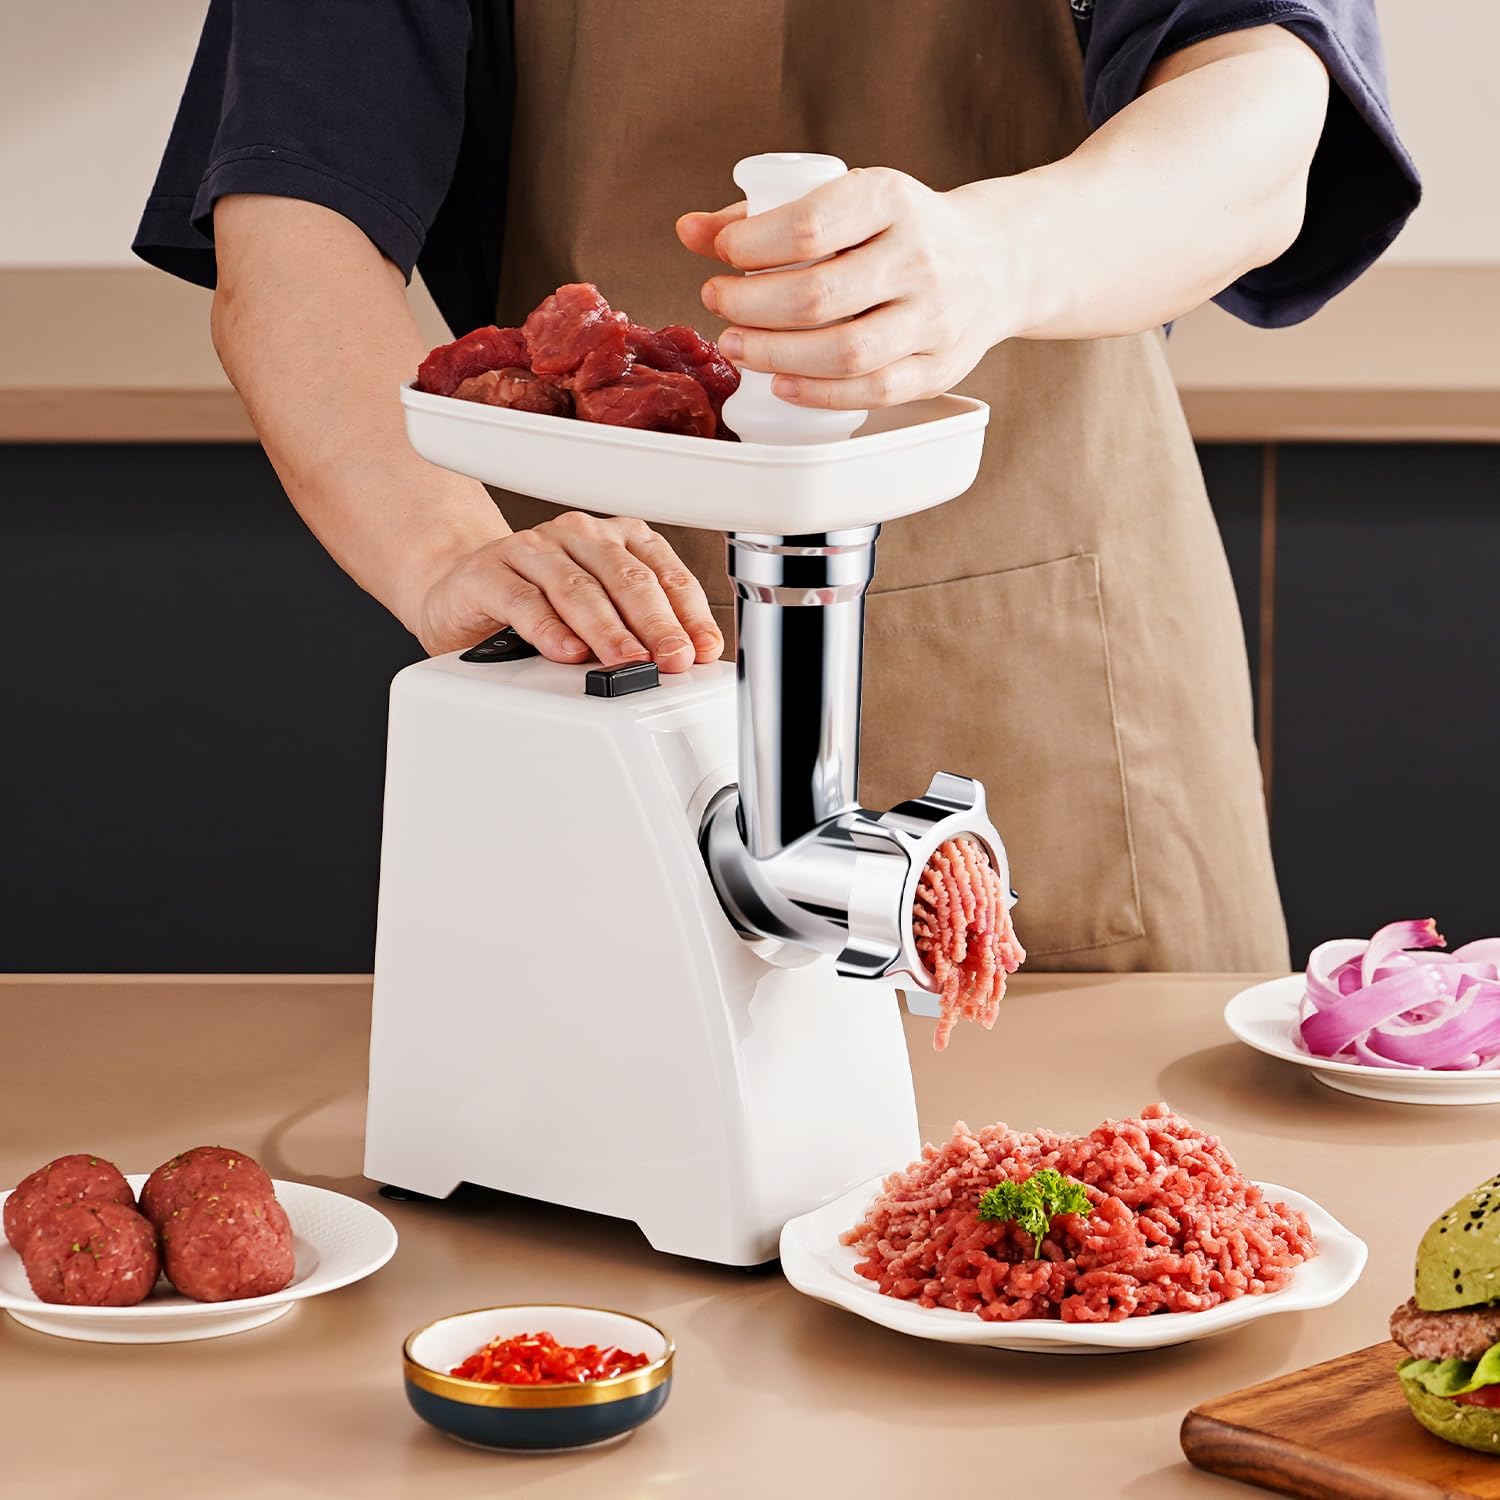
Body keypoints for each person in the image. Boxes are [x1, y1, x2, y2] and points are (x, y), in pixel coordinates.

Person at [135, 1, 1418, 972]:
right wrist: (441, 551)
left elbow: (1260, 97)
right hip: (593, 633)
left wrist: (996, 258)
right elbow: (293, 219)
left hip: (1068, 670)